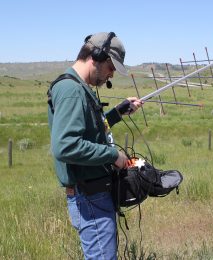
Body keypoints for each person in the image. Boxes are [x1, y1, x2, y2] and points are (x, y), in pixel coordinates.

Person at [47, 32, 143, 259]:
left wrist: (117, 112)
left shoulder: (78, 88)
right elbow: (66, 146)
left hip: (95, 193)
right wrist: (112, 156)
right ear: (96, 56)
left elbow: (91, 128)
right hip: (90, 196)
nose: (111, 75)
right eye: (111, 67)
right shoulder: (72, 91)